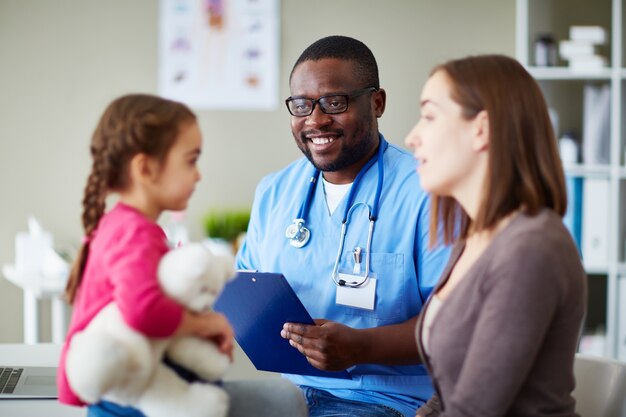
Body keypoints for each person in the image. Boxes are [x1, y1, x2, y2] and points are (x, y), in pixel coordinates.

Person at [236, 35, 450, 417]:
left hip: (385, 399)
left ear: (377, 102)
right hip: (291, 396)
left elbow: (454, 325)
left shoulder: (429, 193)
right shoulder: (274, 191)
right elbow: (246, 289)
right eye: (301, 105)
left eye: (334, 102)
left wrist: (359, 347)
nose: (315, 120)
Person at [58, 94, 307, 417]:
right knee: (285, 403)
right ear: (146, 168)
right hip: (131, 403)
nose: (199, 174)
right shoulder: (135, 233)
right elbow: (143, 311)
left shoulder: (122, 226)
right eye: (191, 160)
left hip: (133, 392)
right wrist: (205, 324)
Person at [405, 54, 587, 417]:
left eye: (428, 116)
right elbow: (447, 394)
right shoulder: (474, 237)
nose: (412, 137)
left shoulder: (531, 249)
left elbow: (472, 410)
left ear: (481, 129)